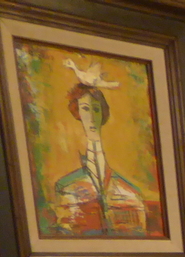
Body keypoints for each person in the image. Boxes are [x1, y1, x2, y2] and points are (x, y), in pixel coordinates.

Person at [50, 60, 158, 237]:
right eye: (85, 109)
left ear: (102, 113)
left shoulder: (130, 192)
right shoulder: (66, 187)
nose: (91, 116)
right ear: (77, 113)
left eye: (96, 109)